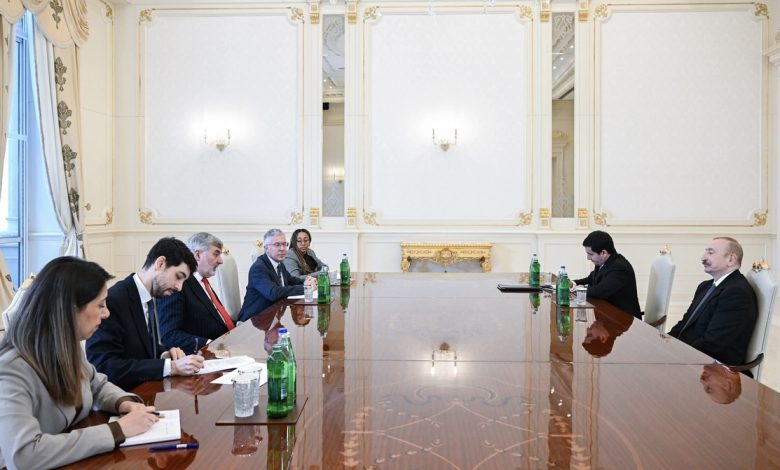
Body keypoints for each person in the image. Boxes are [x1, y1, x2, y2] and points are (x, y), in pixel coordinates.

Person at [0, 257, 160, 469]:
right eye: (100, 305)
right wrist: (117, 430)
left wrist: (123, 402)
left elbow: (96, 384)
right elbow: (25, 455)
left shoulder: (67, 345)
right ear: (69, 309)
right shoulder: (10, 370)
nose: (107, 313)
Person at [86, 237, 205, 390]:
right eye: (178, 277)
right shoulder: (115, 300)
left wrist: (165, 354)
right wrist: (171, 367)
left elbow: (141, 347)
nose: (179, 287)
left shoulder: (148, 297)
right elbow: (104, 366)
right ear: (160, 264)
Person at [668, 237, 757, 368]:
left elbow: (713, 344)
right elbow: (684, 324)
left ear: (731, 259)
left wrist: (677, 354)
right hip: (687, 355)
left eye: (710, 253)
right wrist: (665, 343)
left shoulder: (737, 293)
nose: (703, 258)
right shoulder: (705, 286)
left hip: (711, 368)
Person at [158, 233, 234, 352]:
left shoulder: (204, 282)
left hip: (227, 346)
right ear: (197, 255)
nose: (220, 261)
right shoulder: (177, 285)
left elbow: (218, 320)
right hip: (205, 355)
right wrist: (209, 345)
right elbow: (169, 335)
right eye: (216, 254)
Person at [238, 229, 316, 322]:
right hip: (254, 321)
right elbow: (273, 293)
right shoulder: (259, 268)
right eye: (277, 245)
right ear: (266, 248)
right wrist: (306, 288)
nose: (282, 248)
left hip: (273, 317)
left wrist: (310, 281)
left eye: (284, 244)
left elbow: (292, 280)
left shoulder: (279, 263)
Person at [572, 230, 642, 319]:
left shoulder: (620, 268)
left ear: (603, 253)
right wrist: (574, 283)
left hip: (623, 320)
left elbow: (600, 291)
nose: (588, 258)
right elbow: (591, 278)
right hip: (608, 313)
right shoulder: (603, 261)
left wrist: (578, 289)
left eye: (591, 254)